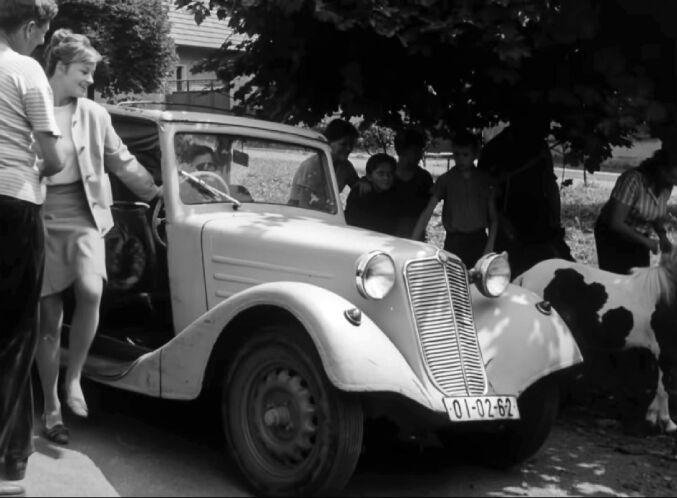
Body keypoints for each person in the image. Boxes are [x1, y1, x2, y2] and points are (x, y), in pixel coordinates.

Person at [35, 29, 161, 446]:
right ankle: (52, 406)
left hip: (85, 213)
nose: (90, 80)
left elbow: (124, 163)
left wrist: (160, 193)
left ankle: (75, 380)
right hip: (40, 215)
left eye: (92, 73)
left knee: (92, 289)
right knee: (48, 320)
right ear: (60, 67)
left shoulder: (94, 114)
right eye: (84, 72)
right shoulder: (29, 106)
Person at [0, 0, 61, 494]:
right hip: (13, 206)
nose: (43, 42)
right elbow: (55, 156)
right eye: (42, 33)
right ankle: (6, 466)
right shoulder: (25, 69)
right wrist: (41, 167)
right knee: (15, 336)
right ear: (27, 26)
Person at [478, 112, 573, 275]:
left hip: (539, 221)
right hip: (507, 220)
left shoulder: (541, 147)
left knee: (547, 271)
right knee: (509, 273)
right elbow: (483, 191)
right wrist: (499, 222)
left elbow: (550, 184)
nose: (547, 129)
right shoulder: (495, 149)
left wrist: (555, 221)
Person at [412, 130, 498, 268]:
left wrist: (489, 247)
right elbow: (428, 212)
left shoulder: (485, 181)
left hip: (479, 240)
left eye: (465, 154)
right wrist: (413, 241)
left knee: (479, 284)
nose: (460, 159)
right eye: (456, 154)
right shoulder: (446, 180)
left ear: (475, 154)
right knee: (453, 281)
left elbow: (493, 219)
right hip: (454, 241)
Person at [595, 147, 677, 274]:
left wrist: (662, 237)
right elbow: (616, 223)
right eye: (673, 177)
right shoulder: (633, 180)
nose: (674, 182)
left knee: (637, 277)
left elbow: (654, 215)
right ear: (661, 170)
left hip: (639, 237)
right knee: (618, 279)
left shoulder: (666, 185)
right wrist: (646, 241)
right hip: (612, 237)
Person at [289, 119, 359, 211]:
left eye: (351, 144)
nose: (349, 148)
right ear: (328, 143)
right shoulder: (311, 167)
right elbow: (303, 206)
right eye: (343, 144)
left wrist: (365, 182)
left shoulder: (346, 167)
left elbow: (358, 187)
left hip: (328, 216)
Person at [392, 127, 434, 239]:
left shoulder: (424, 178)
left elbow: (427, 212)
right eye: (415, 151)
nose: (419, 155)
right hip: (388, 236)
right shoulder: (387, 176)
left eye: (421, 150)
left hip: (415, 238)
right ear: (401, 151)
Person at [344, 153, 401, 235]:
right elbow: (351, 221)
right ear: (369, 176)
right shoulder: (361, 191)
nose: (386, 177)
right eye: (381, 173)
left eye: (390, 173)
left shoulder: (394, 193)